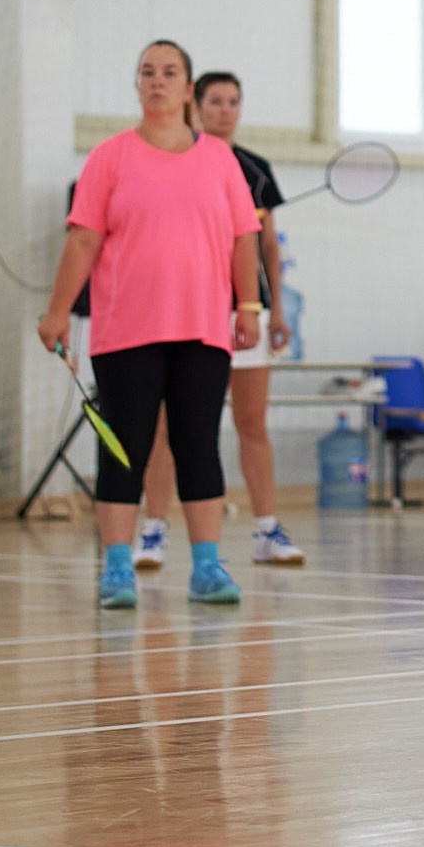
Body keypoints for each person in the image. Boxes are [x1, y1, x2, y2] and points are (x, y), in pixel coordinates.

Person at [37, 40, 261, 610]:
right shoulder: (109, 157)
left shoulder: (219, 159)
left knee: (198, 446)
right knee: (124, 449)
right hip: (125, 331)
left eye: (170, 72)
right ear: (137, 85)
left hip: (203, 330)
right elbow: (83, 238)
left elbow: (244, 237)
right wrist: (58, 310)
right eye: (147, 72)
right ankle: (116, 569)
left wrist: (248, 306)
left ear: (187, 88)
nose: (157, 80)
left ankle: (207, 568)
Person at [137, 69, 303, 570]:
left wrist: (273, 308)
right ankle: (154, 531)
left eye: (234, 101)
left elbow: (268, 245)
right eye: (216, 101)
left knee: (252, 422)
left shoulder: (255, 170)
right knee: (166, 425)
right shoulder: (172, 160)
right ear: (196, 104)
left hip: (245, 311)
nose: (225, 110)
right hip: (186, 310)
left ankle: (266, 529)